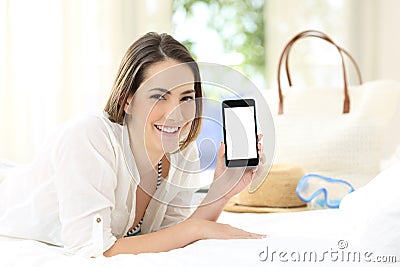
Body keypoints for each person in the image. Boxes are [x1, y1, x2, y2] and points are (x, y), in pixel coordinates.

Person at [0, 32, 265, 257]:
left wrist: (221, 190)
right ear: (128, 100)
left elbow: (173, 235)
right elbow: (94, 250)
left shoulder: (183, 151)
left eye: (186, 98)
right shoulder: (89, 137)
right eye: (159, 96)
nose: (177, 113)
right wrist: (195, 229)